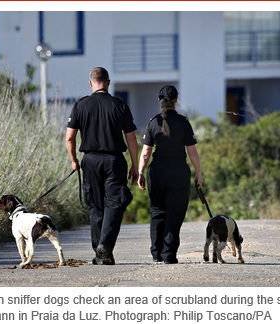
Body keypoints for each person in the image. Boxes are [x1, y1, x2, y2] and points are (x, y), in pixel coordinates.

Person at [65, 67, 139, 265]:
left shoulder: (81, 105)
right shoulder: (119, 105)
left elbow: (70, 138)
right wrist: (135, 165)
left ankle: (101, 251)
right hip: (114, 160)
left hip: (90, 161)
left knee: (96, 206)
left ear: (91, 83)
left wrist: (73, 160)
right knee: (115, 203)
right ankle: (104, 248)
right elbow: (131, 138)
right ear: (107, 82)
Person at [137, 85, 203, 264]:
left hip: (157, 172)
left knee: (157, 211)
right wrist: (199, 173)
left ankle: (156, 253)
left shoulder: (153, 122)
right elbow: (192, 152)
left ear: (159, 101)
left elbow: (145, 152)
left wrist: (140, 172)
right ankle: (169, 254)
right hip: (178, 173)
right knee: (175, 213)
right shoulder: (183, 122)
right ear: (176, 100)